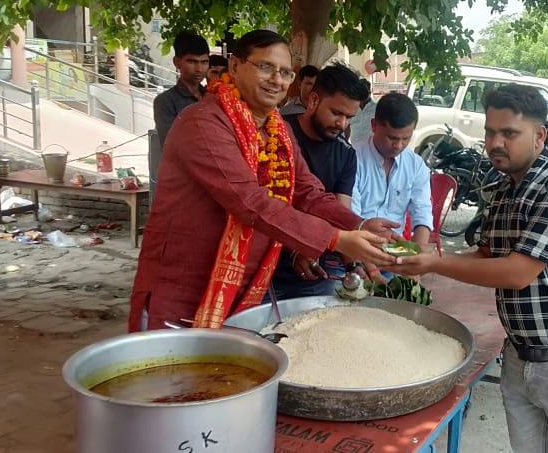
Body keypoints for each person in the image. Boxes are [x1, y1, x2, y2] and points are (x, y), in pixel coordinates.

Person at [394, 84, 548, 452]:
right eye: (490, 132)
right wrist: (423, 266)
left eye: (509, 133)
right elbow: (487, 255)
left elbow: (517, 272)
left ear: (540, 135)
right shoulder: (503, 190)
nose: (496, 142)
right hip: (520, 356)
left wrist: (437, 261)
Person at [129, 29, 398, 332]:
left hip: (247, 285)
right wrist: (336, 239)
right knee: (177, 374)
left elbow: (307, 191)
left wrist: (359, 226)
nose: (277, 80)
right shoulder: (203, 122)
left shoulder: (278, 130)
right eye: (265, 67)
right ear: (234, 66)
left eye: (285, 72)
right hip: (185, 284)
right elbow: (250, 202)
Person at [270, 62, 369, 300]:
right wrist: (296, 249)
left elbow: (340, 213)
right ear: (313, 100)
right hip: (264, 263)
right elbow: (264, 204)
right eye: (336, 113)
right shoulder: (278, 135)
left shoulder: (346, 154)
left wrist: (353, 264)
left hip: (314, 269)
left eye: (349, 117)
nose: (342, 124)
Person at [352, 92, 433, 251]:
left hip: (396, 250)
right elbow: (350, 217)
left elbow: (422, 211)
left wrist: (417, 254)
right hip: (355, 247)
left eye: (406, 138)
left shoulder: (415, 165)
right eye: (392, 138)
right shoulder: (352, 159)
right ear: (374, 126)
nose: (398, 146)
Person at [153, 32, 210, 149]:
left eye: (204, 62)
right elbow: (171, 145)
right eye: (192, 62)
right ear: (177, 62)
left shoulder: (213, 96)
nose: (199, 69)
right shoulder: (165, 101)